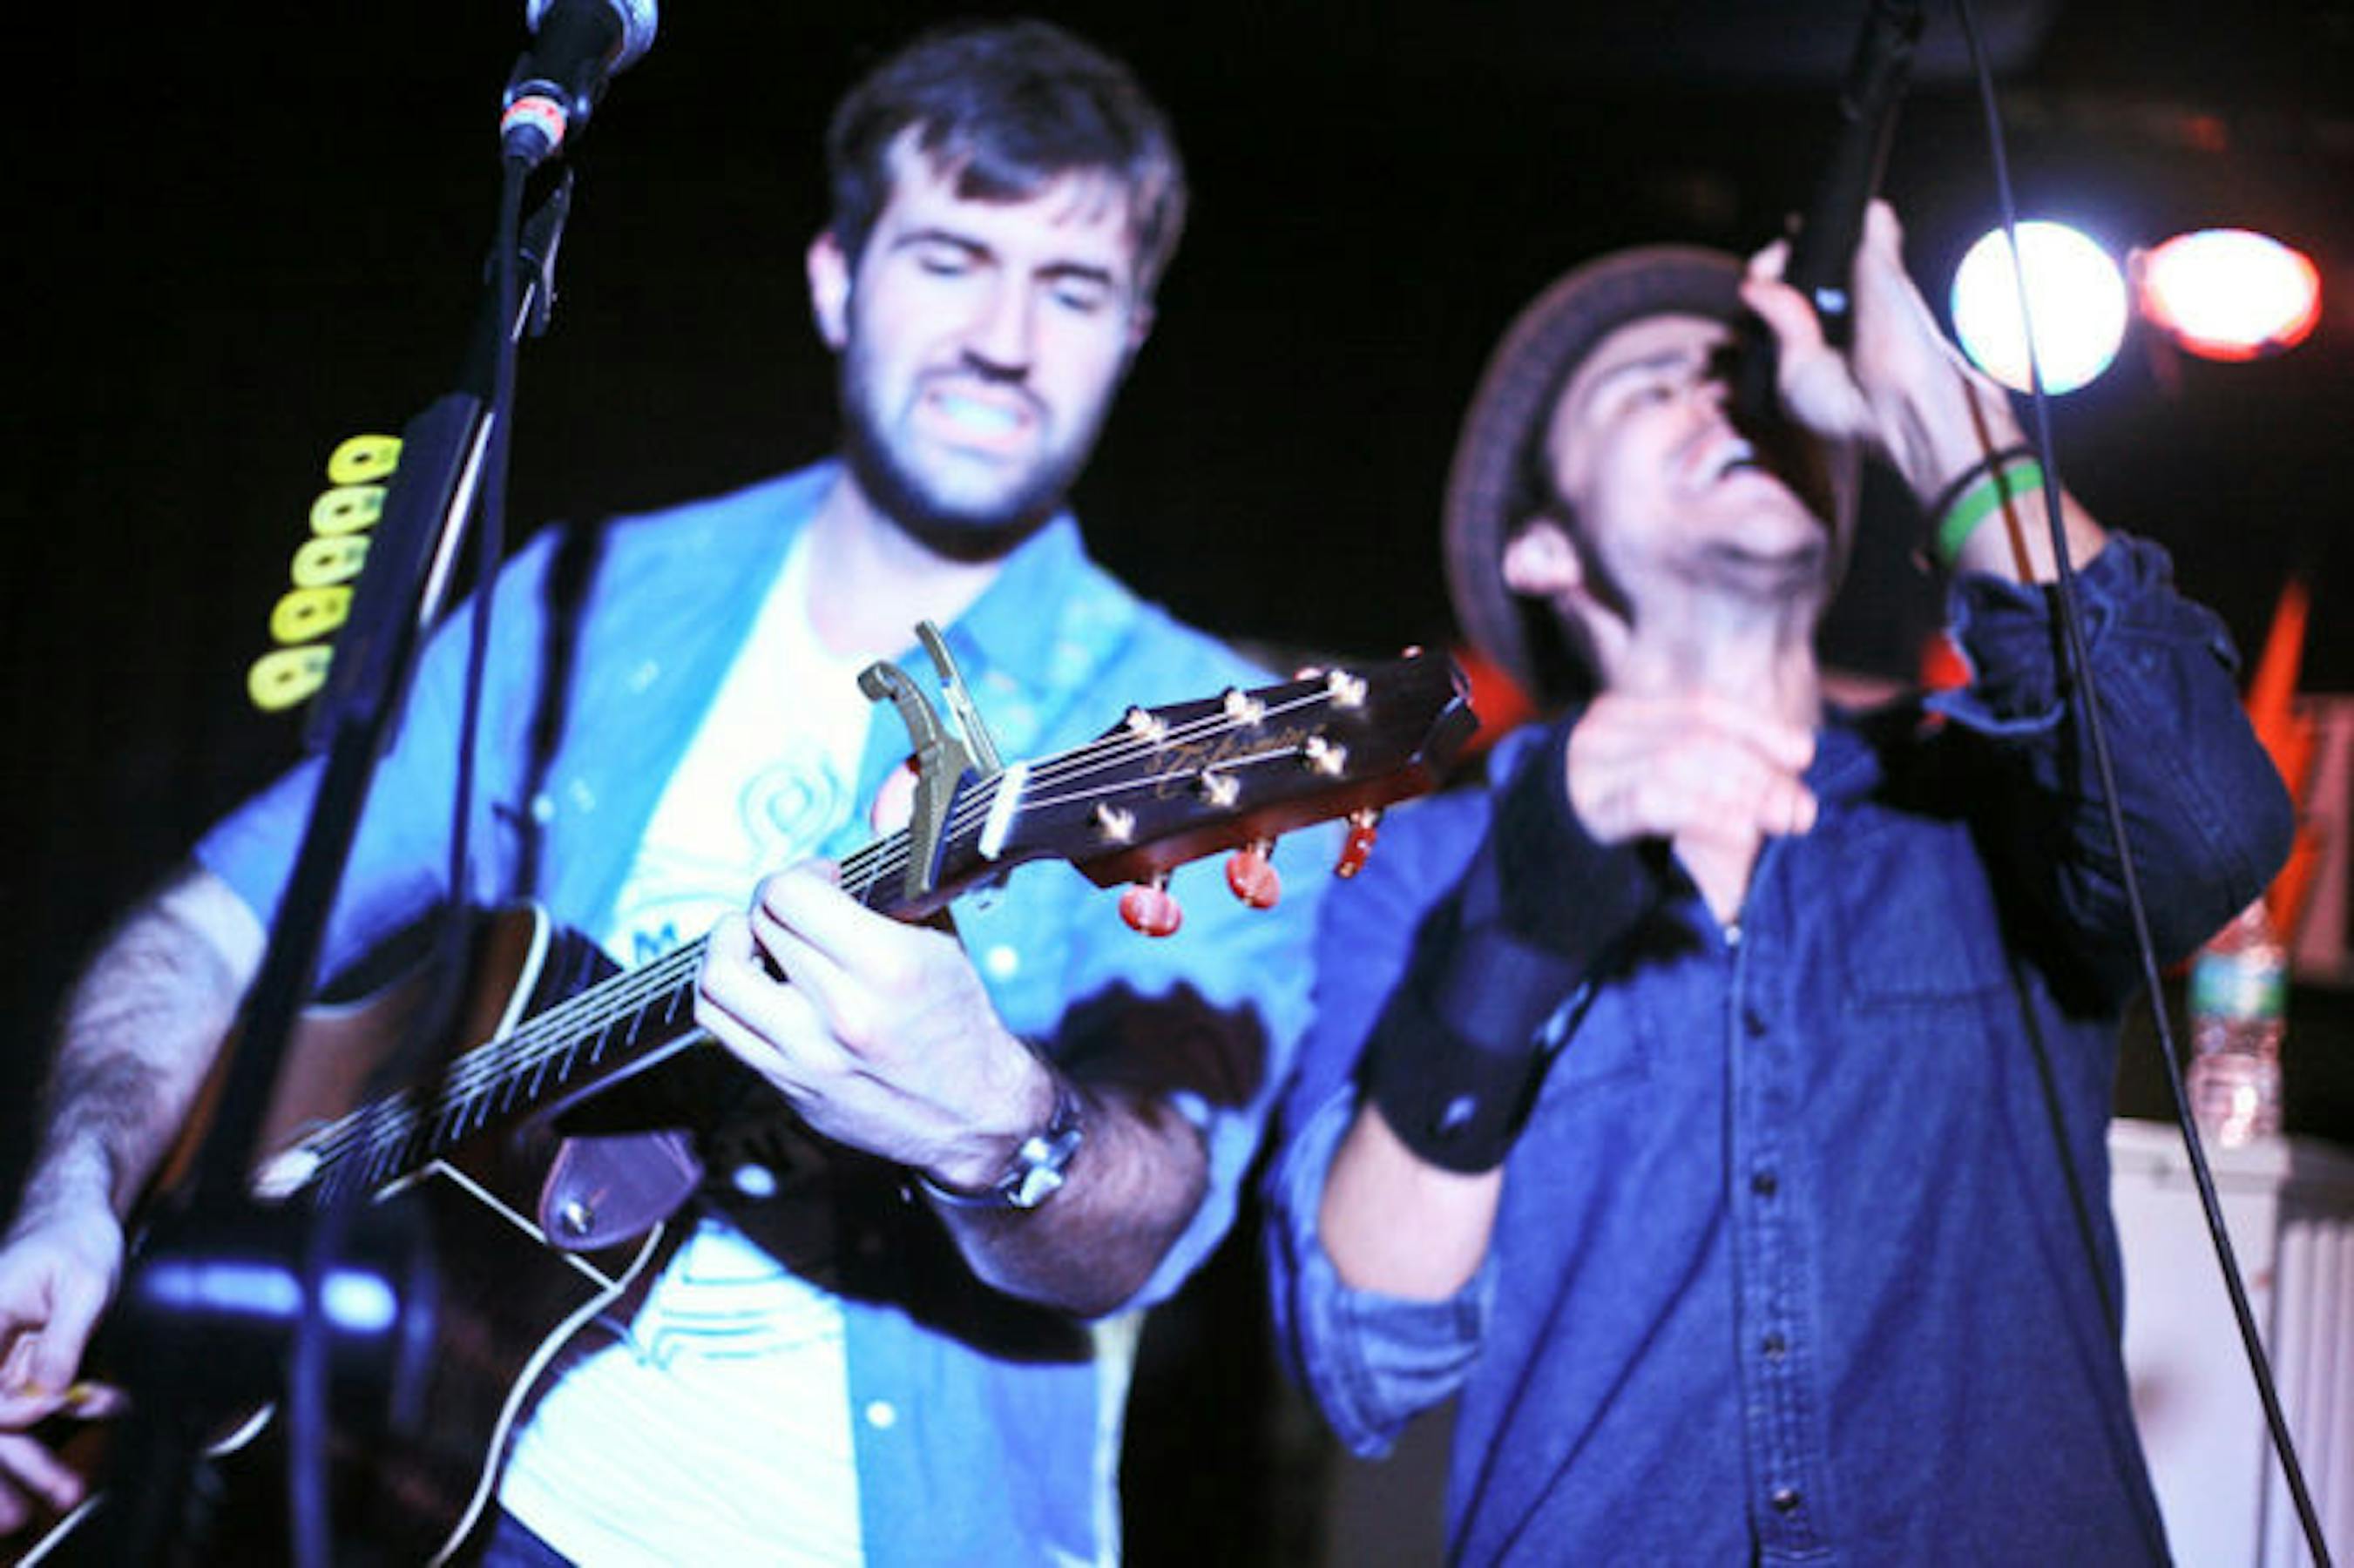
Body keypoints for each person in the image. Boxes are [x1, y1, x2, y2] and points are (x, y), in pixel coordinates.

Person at [0, 18, 1329, 1564]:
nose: (1003, 338)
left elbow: (1149, 1216)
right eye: (950, 258)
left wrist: (1003, 1133)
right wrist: (76, 1197)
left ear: (1132, 334)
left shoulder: (1184, 739)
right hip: (401, 1495)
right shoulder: (590, 598)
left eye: (1073, 288)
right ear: (836, 279)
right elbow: (219, 922)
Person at [1265, 202, 2295, 1563]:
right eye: (1651, 385)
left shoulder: (1987, 799)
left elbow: (2211, 827)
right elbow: (1361, 1347)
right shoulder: (1431, 867)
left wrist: (1938, 418)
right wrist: (1532, 905)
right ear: (1542, 548)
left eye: (1743, 379)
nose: (1723, 398)